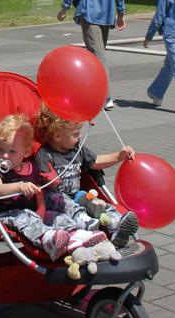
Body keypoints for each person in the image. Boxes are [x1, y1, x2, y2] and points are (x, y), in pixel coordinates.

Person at [0, 115, 119, 262]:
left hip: (37, 209)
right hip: (9, 212)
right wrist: (18, 186)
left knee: (55, 200)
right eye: (0, 149)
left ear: (26, 152)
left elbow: (40, 193)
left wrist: (42, 209)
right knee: (26, 217)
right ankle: (48, 238)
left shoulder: (30, 167)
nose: (4, 156)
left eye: (12, 152)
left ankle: (77, 229)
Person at [33, 105, 138, 248]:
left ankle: (115, 223)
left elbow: (95, 161)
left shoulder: (77, 149)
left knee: (95, 202)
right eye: (76, 134)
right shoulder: (45, 155)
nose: (79, 137)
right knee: (58, 197)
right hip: (54, 201)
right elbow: (44, 185)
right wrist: (51, 180)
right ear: (58, 136)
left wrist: (119, 156)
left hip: (77, 196)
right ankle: (84, 222)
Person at [57, 0, 126, 110]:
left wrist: (64, 7)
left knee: (98, 56)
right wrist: (121, 13)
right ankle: (89, 90)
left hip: (90, 13)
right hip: (106, 14)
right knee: (95, 54)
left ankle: (105, 97)